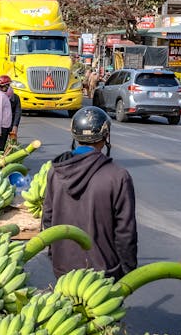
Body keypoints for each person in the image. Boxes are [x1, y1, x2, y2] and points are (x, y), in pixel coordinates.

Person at [41, 106, 137, 280]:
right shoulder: (117, 176)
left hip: (63, 269)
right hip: (103, 272)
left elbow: (48, 219)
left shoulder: (55, 172)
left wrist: (54, 255)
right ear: (106, 136)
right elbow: (125, 231)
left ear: (74, 135)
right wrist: (128, 270)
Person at [0, 75, 15, 149]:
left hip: (4, 127)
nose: (9, 87)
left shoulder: (2, 95)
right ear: (5, 86)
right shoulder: (0, 97)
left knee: (0, 147)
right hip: (1, 127)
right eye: (8, 85)